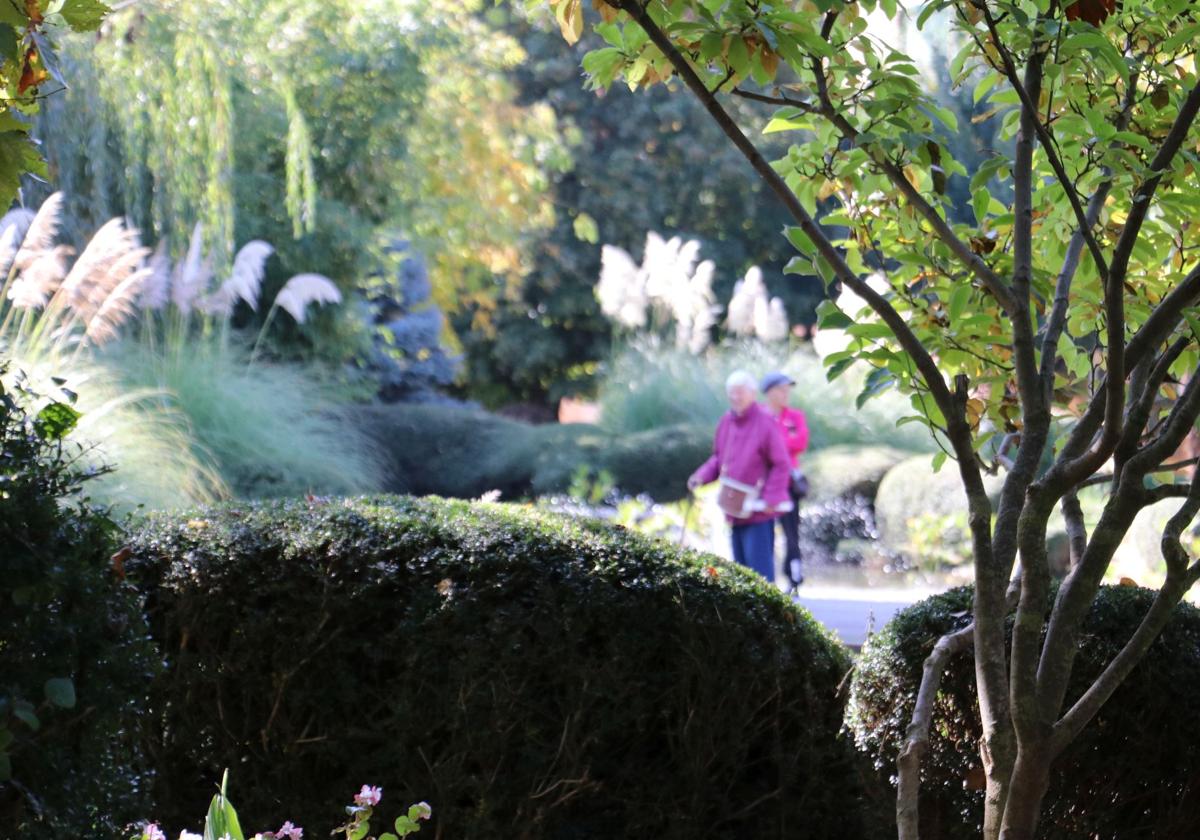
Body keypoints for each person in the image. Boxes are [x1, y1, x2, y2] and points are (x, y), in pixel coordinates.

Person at [687, 370, 792, 581]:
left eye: (740, 393)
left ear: (752, 394)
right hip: (734, 510)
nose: (735, 397)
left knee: (760, 575)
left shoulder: (765, 422)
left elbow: (781, 464)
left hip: (758, 511)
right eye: (732, 393)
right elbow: (719, 459)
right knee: (741, 575)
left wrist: (772, 497)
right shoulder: (726, 421)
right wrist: (700, 476)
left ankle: (766, 615)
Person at [760, 371, 809, 587]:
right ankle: (766, 577)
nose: (786, 393)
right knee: (764, 533)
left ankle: (794, 577)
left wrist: (775, 443)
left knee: (792, 533)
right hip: (765, 484)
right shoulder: (760, 416)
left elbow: (800, 442)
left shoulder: (795, 416)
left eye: (787, 389)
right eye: (781, 389)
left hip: (789, 484)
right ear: (769, 392)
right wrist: (781, 442)